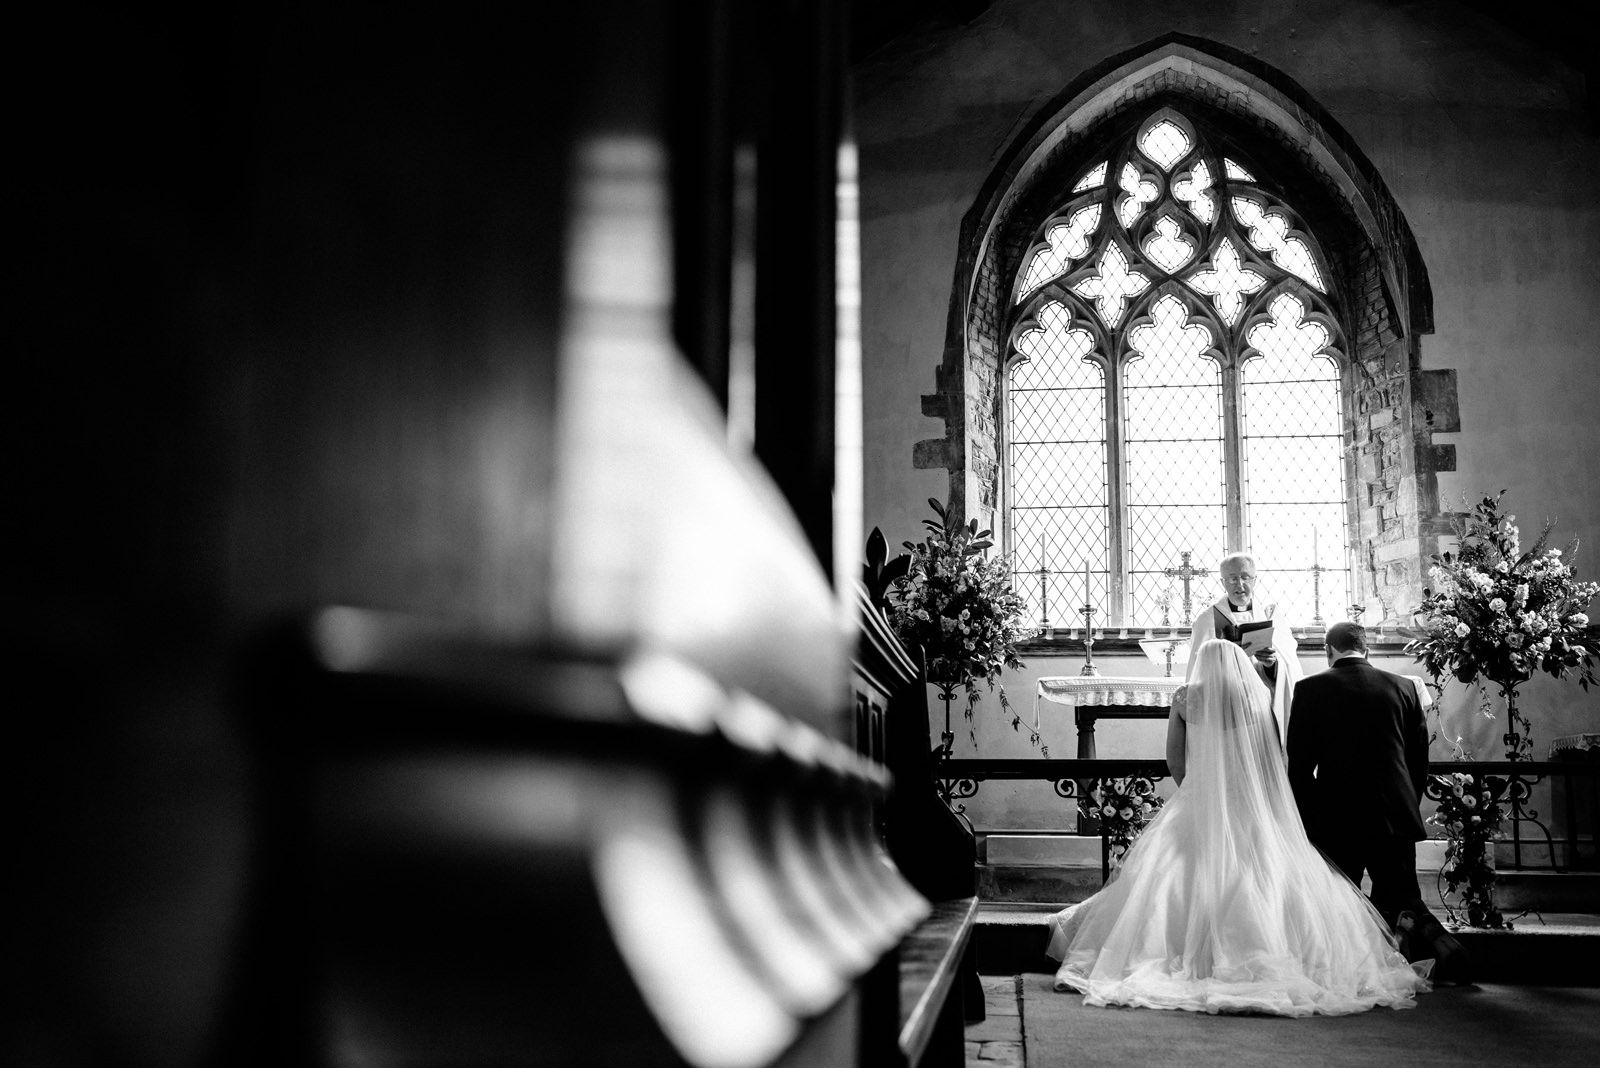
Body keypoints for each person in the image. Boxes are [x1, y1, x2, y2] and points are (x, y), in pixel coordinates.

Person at [1046, 639, 1429, 1016]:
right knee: (1268, 877)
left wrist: (1198, 796)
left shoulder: (1185, 698)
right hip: (1252, 804)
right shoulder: (1257, 696)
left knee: (1162, 881)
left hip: (1199, 800)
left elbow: (1175, 763)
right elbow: (1270, 759)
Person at [1288, 621, 1470, 981]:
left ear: (1328, 650)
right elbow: (1419, 760)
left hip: (1336, 817)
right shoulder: (1404, 687)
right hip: (1393, 813)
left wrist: (1311, 816)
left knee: (1341, 899)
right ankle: (1415, 960)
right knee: (1399, 896)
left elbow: (1299, 766)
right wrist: (1406, 803)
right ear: (1366, 648)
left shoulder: (1309, 689)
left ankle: (1345, 971)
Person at [1186, 552, 1301, 748]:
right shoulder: (1207, 621)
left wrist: (1271, 665)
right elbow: (1197, 672)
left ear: (1255, 579)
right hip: (1225, 708)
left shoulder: (1270, 615)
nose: (1240, 584)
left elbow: (1290, 665)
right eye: (1232, 578)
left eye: (1245, 577)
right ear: (1223, 582)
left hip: (1265, 708)